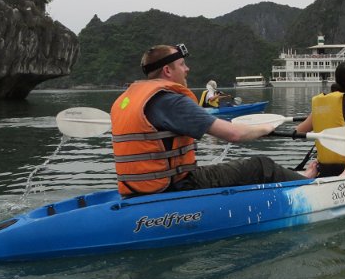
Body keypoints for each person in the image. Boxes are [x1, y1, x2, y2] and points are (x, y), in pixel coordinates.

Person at [110, 43, 317, 196]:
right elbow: (233, 134)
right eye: (182, 64)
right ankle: (309, 183)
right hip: (175, 186)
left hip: (134, 189)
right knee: (261, 166)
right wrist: (267, 127)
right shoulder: (171, 101)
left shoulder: (127, 99)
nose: (187, 69)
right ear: (167, 71)